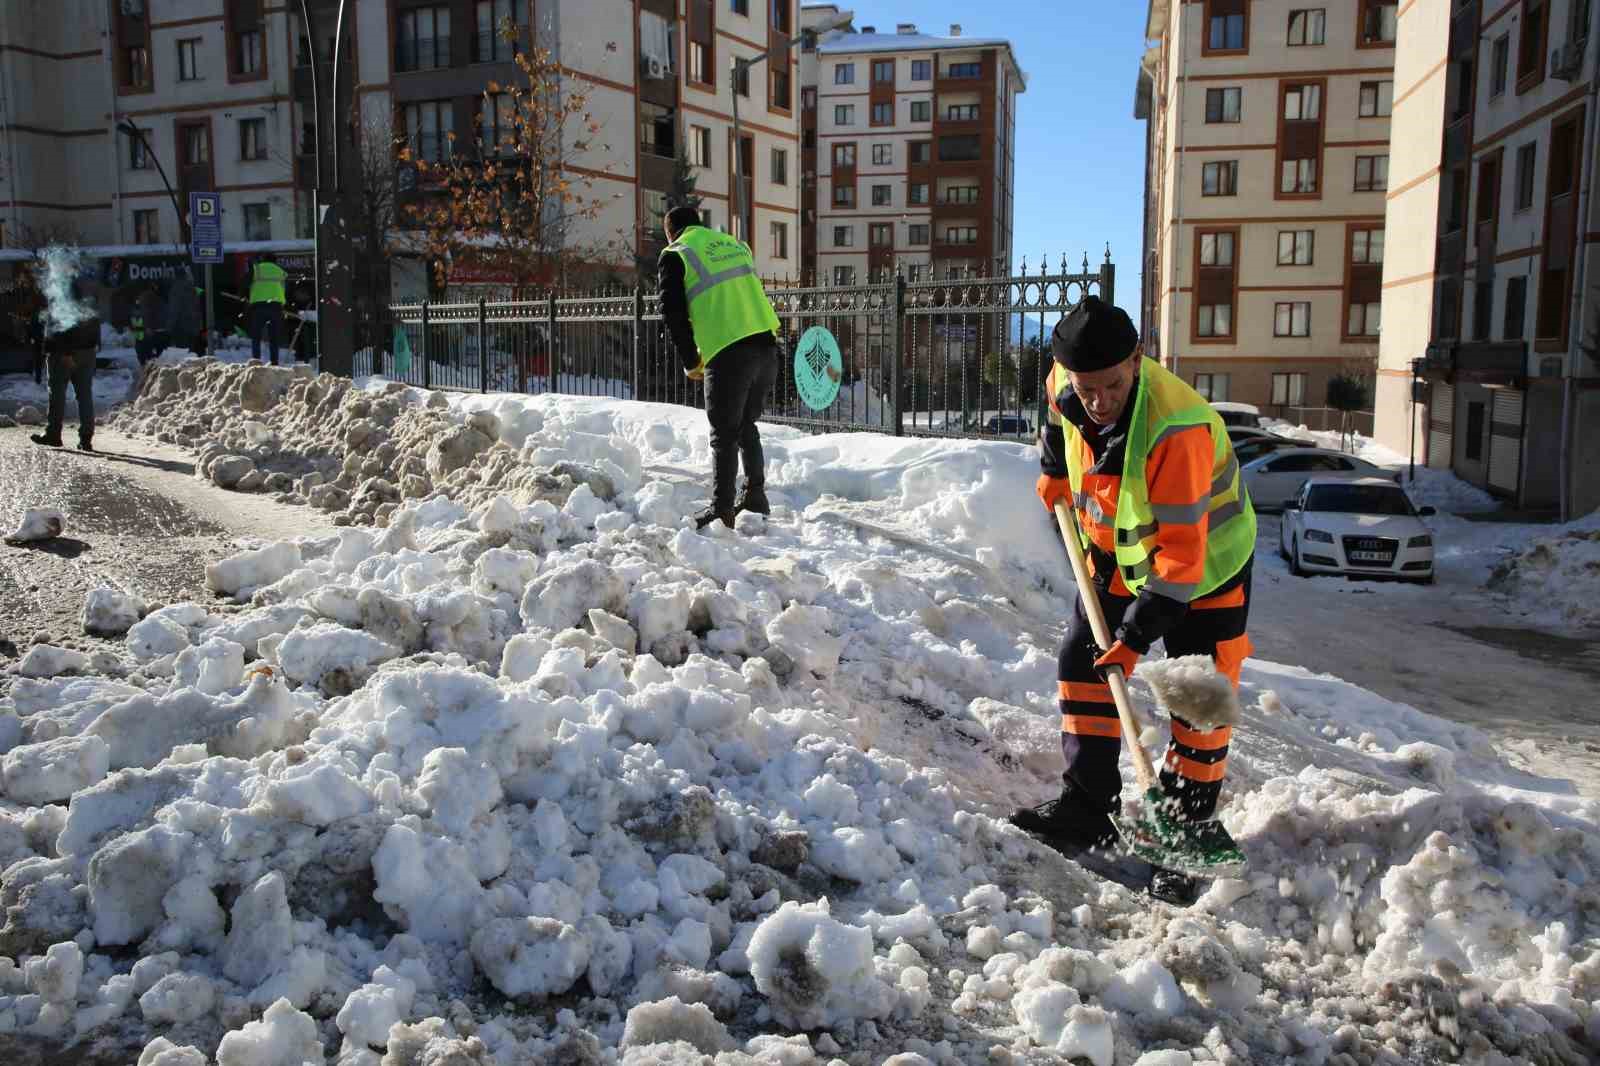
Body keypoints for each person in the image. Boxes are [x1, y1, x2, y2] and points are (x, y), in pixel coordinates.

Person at [1010, 295, 1257, 903]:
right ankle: (1088, 803)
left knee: (1197, 696)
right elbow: (1056, 419)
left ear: (1138, 360)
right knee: (1081, 662)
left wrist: (1135, 640)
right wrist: (1052, 465)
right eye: (1085, 387)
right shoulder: (1067, 378)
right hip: (1120, 551)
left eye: (1111, 386)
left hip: (1206, 566)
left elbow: (1179, 561)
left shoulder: (1178, 427)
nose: (1097, 399)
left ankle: (1182, 833)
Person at [658, 205, 782, 530]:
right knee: (745, 426)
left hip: (729, 352)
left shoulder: (677, 253)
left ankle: (722, 510)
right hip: (767, 345)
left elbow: (672, 314)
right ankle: (755, 495)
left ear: (671, 232)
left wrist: (691, 361)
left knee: (724, 435)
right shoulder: (734, 245)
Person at [32, 277, 101, 453]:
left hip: (64, 354)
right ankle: (86, 439)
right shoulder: (88, 302)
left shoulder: (61, 302)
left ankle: (53, 434)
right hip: (87, 353)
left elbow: (63, 330)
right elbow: (95, 328)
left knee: (57, 394)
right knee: (85, 395)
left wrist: (66, 353)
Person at [247, 253, 288, 364]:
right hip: (276, 307)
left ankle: (256, 361)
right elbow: (284, 289)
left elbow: (245, 283)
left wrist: (245, 296)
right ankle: (274, 362)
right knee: (274, 338)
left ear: (262, 260)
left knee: (256, 337)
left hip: (258, 306)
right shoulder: (281, 271)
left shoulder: (256, 269)